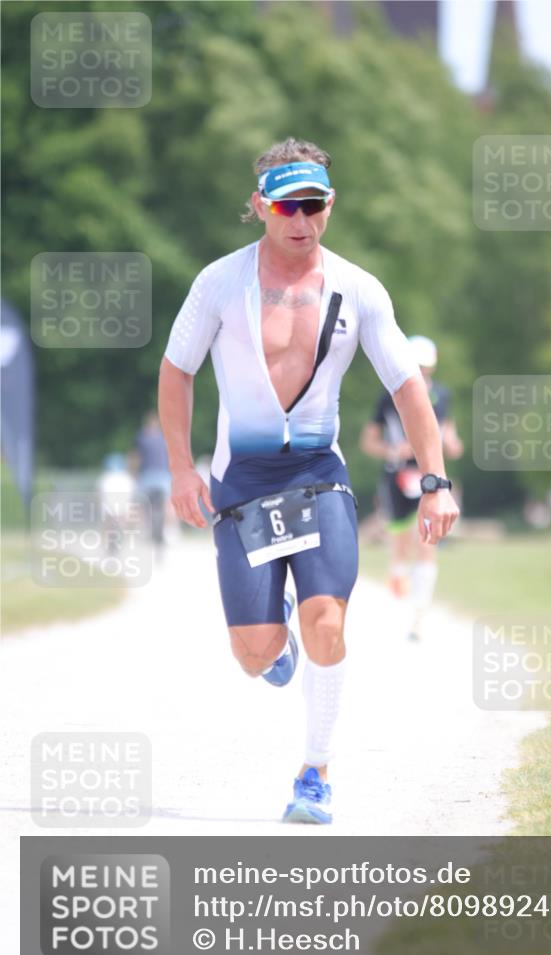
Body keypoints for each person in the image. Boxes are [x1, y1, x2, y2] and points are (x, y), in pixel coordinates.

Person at [157, 137, 459, 824]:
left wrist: (436, 480)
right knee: (255, 653)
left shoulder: (360, 289)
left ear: (330, 204)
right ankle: (277, 642)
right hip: (243, 483)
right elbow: (177, 371)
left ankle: (314, 772)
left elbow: (409, 387)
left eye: (315, 204)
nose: (302, 219)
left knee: (330, 623)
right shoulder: (219, 284)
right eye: (288, 205)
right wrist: (180, 466)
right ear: (262, 206)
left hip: (320, 478)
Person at [360, 336, 464, 639]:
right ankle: (397, 584)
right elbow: (369, 441)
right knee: (400, 547)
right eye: (418, 367)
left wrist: (452, 444)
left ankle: (419, 616)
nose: (422, 373)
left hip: (429, 479)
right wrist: (394, 451)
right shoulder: (389, 395)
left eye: (427, 368)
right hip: (396, 477)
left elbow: (448, 435)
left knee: (428, 544)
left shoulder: (443, 396)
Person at [129, 411, 172, 552]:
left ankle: (147, 528)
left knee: (144, 505)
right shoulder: (164, 437)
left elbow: (136, 457)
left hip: (148, 476)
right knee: (164, 504)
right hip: (162, 475)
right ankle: (166, 530)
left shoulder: (141, 437)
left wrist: (134, 474)